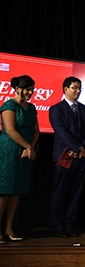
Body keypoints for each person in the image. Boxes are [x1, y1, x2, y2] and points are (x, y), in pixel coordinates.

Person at [48, 76, 85, 238]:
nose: (77, 91)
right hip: (63, 157)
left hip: (82, 158)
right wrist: (78, 147)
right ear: (65, 89)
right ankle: (57, 226)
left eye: (79, 88)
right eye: (74, 88)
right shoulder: (56, 109)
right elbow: (61, 131)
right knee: (59, 193)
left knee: (76, 193)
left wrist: (83, 148)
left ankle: (69, 225)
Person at [0, 75, 39, 242]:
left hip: (25, 152)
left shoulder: (31, 108)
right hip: (9, 150)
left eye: (32, 90)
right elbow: (10, 130)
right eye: (27, 89)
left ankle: (9, 228)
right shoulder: (9, 105)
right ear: (17, 89)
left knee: (17, 191)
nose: (30, 93)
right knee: (5, 191)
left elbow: (36, 131)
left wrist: (30, 147)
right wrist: (28, 147)